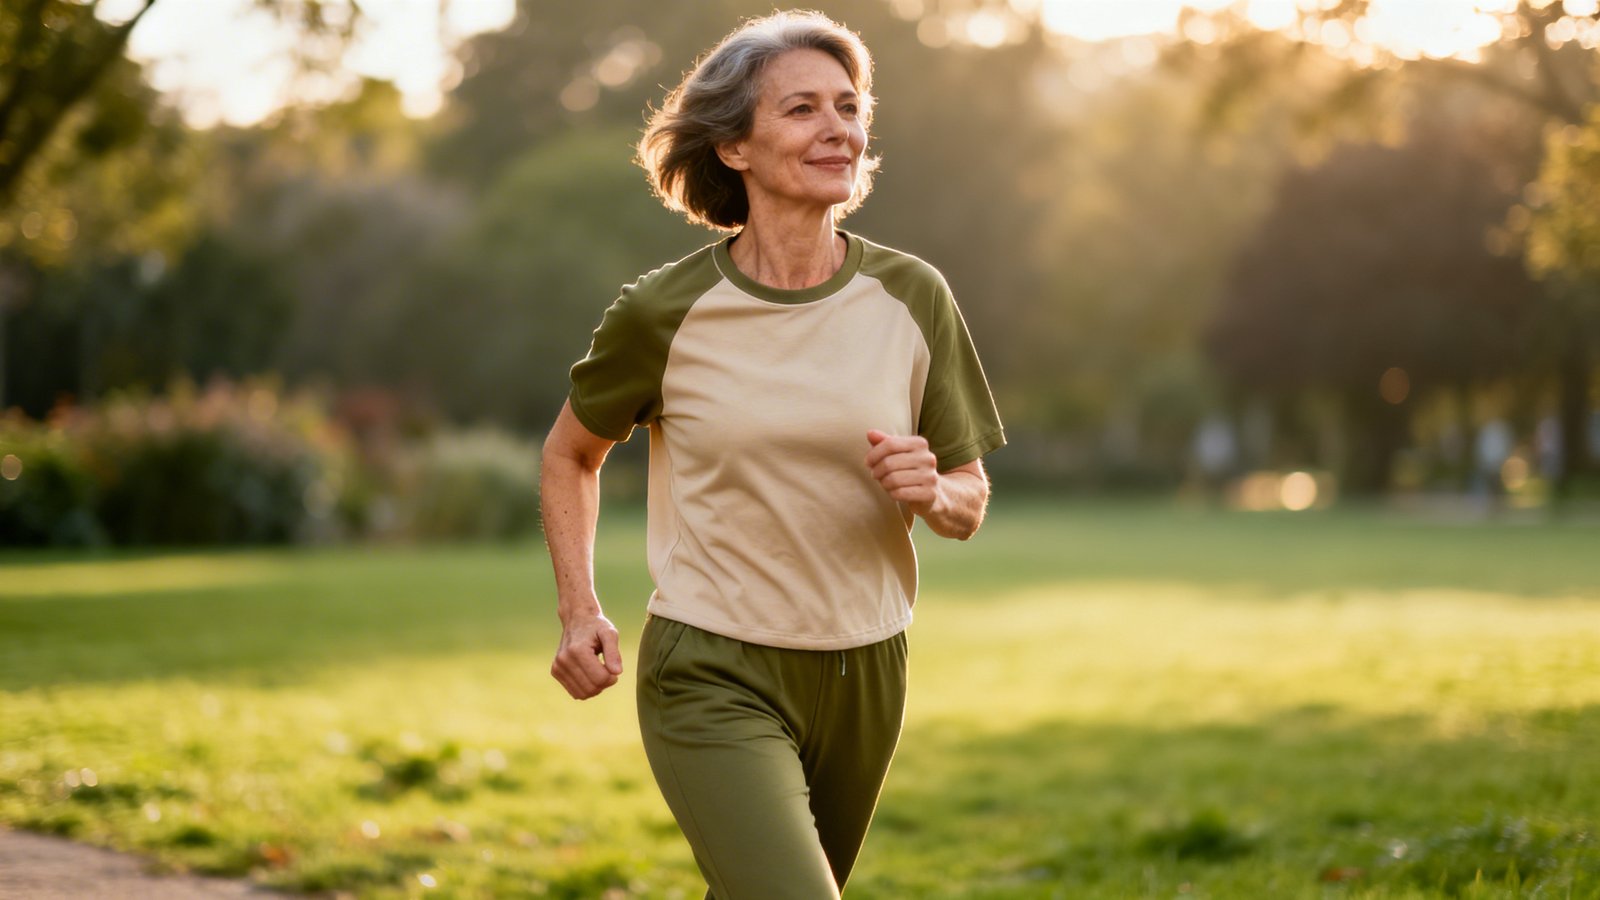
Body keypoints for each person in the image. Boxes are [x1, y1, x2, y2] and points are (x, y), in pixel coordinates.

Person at [540, 11, 1005, 898]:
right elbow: (571, 454)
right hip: (711, 666)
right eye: (802, 109)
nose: (838, 128)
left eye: (849, 105)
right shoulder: (661, 312)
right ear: (734, 148)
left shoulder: (912, 296)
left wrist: (934, 492)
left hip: (866, 666)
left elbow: (969, 493)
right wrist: (578, 608)